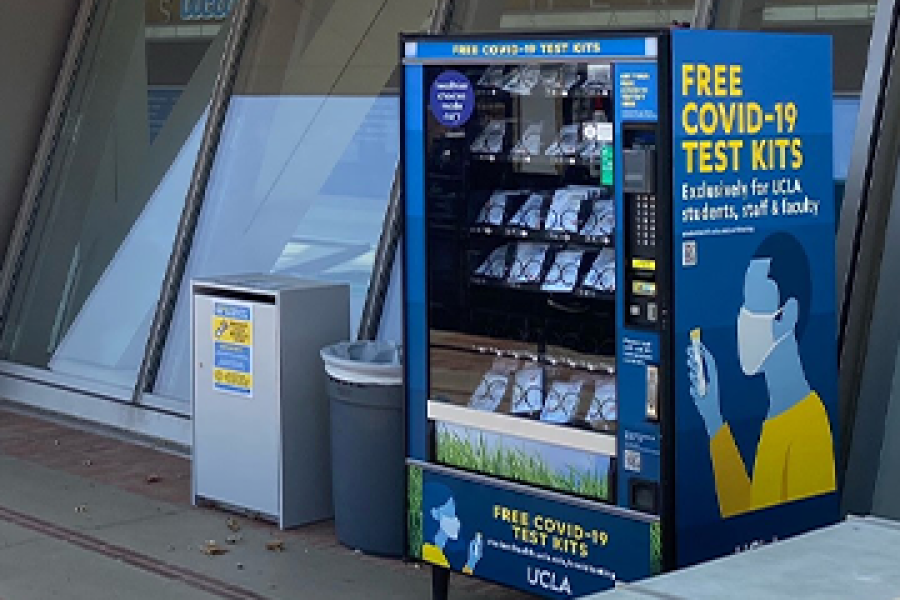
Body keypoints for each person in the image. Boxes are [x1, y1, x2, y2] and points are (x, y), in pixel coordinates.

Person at [687, 232, 835, 518]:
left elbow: (797, 541)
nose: (743, 318)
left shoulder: (808, 426)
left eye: (754, 304)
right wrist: (713, 419)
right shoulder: (778, 415)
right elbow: (749, 515)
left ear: (788, 314)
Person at [422, 482, 483, 574]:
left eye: (454, 513)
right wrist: (471, 563)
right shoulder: (430, 552)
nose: (455, 519)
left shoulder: (442, 552)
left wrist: (472, 562)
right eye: (449, 513)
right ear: (434, 513)